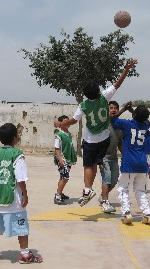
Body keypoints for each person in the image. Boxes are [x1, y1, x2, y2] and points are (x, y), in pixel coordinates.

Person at [54, 59, 138, 207]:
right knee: (94, 164)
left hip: (90, 140)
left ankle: (87, 189)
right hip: (104, 139)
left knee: (88, 165)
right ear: (98, 91)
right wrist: (126, 69)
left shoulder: (84, 105)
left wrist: (61, 124)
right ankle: (89, 190)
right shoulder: (104, 97)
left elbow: (73, 120)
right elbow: (118, 83)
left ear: (85, 94)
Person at [0, 123, 43, 264]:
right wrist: (25, 195)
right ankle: (25, 254)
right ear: (15, 138)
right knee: (21, 224)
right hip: (12, 199)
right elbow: (21, 178)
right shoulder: (17, 155)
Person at [112, 105, 150, 225]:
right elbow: (145, 120)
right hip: (142, 163)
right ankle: (147, 213)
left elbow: (113, 119)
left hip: (129, 163)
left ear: (134, 115)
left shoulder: (126, 124)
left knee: (123, 188)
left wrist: (125, 108)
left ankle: (126, 212)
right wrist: (133, 111)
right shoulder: (146, 125)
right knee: (140, 190)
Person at [98, 100, 132, 213]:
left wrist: (125, 157)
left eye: (115, 108)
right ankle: (105, 202)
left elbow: (120, 143)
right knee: (106, 178)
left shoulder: (119, 126)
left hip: (113, 157)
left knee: (115, 179)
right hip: (103, 157)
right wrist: (124, 109)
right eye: (110, 108)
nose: (113, 110)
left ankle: (103, 195)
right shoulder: (104, 122)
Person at [53, 115, 77, 205]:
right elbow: (57, 148)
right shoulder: (59, 135)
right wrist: (60, 159)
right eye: (65, 121)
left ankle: (60, 193)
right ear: (60, 124)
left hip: (68, 159)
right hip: (62, 159)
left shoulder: (69, 134)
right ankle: (57, 196)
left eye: (68, 121)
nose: (67, 123)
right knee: (65, 177)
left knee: (62, 177)